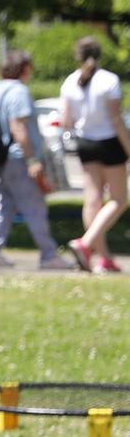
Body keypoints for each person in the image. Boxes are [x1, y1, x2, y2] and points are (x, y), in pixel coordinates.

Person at [0, 50, 64, 270]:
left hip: (3, 158)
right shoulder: (19, 91)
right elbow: (18, 126)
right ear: (24, 68)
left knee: (5, 206)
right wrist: (32, 159)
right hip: (18, 157)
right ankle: (49, 255)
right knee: (35, 206)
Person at [59, 36, 128, 273]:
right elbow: (116, 120)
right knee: (119, 199)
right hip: (109, 142)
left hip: (84, 142)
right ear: (99, 54)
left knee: (92, 199)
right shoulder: (109, 80)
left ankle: (102, 258)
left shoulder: (70, 81)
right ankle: (86, 244)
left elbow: (66, 120)